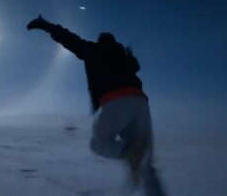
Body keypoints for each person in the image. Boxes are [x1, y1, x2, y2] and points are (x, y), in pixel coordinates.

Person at [27, 15, 166, 196]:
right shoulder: (124, 58)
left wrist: (46, 25)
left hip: (115, 100)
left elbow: (69, 39)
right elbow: (135, 66)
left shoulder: (92, 50)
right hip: (140, 103)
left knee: (99, 144)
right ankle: (140, 165)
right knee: (146, 165)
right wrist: (129, 56)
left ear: (100, 41)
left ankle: (131, 151)